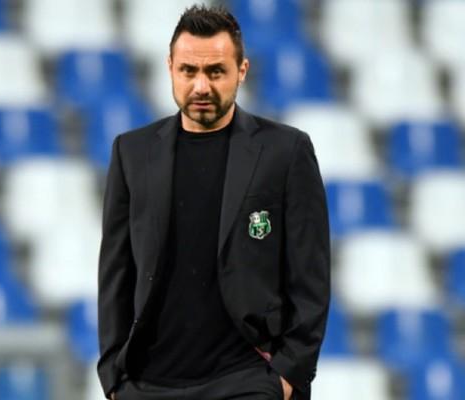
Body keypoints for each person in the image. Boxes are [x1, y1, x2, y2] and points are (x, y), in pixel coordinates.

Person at [97, 5, 330, 400]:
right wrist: (114, 379)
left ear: (242, 70)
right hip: (148, 385)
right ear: (170, 68)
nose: (201, 86)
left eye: (216, 72)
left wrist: (287, 375)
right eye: (188, 71)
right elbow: (116, 273)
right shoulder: (131, 153)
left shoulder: (286, 151)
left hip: (246, 381)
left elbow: (311, 275)